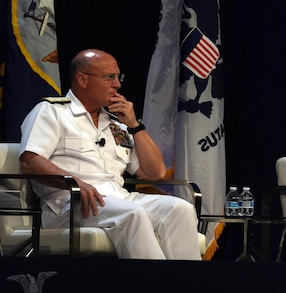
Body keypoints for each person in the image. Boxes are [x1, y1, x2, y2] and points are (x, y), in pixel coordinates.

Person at [18, 49, 202, 260]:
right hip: (70, 203)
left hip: (118, 198)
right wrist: (76, 182)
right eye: (110, 77)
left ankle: (187, 288)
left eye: (118, 77)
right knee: (133, 214)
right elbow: (30, 162)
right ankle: (154, 289)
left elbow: (156, 172)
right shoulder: (52, 112)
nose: (118, 85)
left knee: (180, 209)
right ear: (83, 80)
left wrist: (134, 125)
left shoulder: (117, 124)